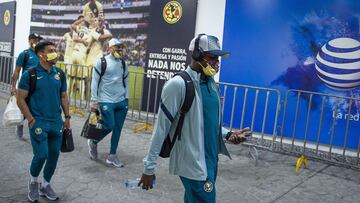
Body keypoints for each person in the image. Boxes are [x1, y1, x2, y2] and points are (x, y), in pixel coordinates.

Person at [138, 34, 251, 202]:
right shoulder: (177, 85)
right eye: (212, 57)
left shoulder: (211, 84)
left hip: (211, 158)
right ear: (197, 54)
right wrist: (149, 168)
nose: (217, 63)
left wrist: (228, 134)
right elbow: (161, 129)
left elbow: (206, 122)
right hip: (192, 161)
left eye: (218, 58)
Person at [16, 41, 70, 202]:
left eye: (55, 50)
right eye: (51, 51)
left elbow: (63, 96)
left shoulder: (59, 74)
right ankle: (33, 182)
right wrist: (31, 119)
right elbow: (20, 99)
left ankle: (45, 185)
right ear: (41, 54)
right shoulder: (30, 74)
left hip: (56, 122)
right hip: (38, 122)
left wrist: (67, 117)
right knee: (41, 155)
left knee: (54, 155)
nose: (55, 53)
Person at [88, 38, 129, 168]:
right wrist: (94, 100)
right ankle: (93, 141)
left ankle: (112, 156)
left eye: (121, 47)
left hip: (121, 101)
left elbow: (126, 81)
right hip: (106, 100)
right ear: (110, 48)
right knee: (110, 125)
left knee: (118, 129)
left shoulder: (123, 63)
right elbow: (94, 81)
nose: (120, 50)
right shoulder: (102, 62)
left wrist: (126, 98)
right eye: (117, 47)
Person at [11, 33, 43, 138]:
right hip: (25, 88)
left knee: (37, 109)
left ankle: (35, 130)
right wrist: (13, 87)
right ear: (30, 41)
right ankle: (20, 124)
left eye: (38, 40)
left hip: (38, 88)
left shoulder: (42, 55)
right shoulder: (24, 54)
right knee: (23, 109)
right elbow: (16, 71)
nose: (37, 42)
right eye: (35, 40)